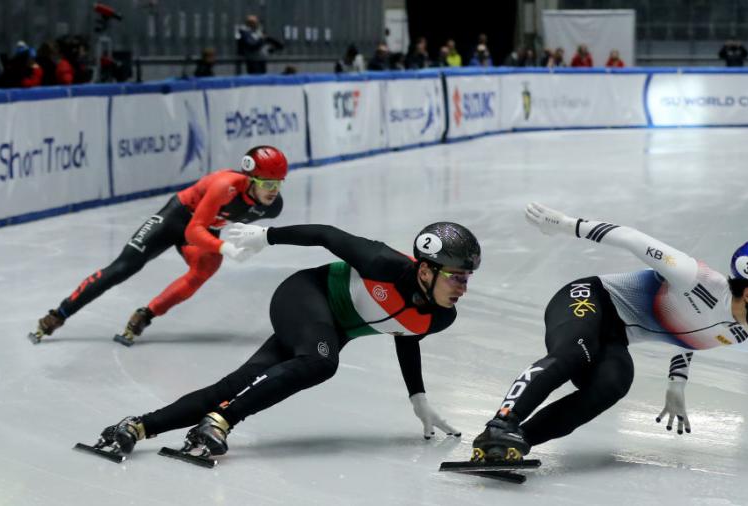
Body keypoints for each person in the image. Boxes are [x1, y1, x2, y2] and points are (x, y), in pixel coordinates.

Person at [86, 221, 482, 459]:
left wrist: (418, 397)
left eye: (467, 278)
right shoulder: (384, 263)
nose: (463, 287)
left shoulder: (442, 316)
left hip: (330, 331)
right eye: (456, 276)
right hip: (305, 295)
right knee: (322, 362)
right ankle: (220, 422)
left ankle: (136, 427)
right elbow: (326, 234)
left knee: (239, 383)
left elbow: (407, 333)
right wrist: (266, 236)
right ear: (426, 270)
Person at [470, 202, 748, 462]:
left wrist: (676, 384)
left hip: (615, 335)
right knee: (575, 350)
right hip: (588, 298)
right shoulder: (696, 278)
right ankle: (500, 425)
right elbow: (631, 238)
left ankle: (514, 444)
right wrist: (565, 224)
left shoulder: (739, 331)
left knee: (614, 382)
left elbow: (689, 334)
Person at [28, 146, 289, 346]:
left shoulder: (272, 207)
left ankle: (145, 315)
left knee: (205, 269)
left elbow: (247, 227)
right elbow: (192, 230)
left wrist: (256, 240)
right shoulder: (225, 187)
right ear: (250, 179)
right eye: (267, 183)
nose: (273, 191)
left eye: (278, 184)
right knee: (123, 268)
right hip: (175, 219)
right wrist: (225, 247)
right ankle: (59, 314)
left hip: (204, 227)